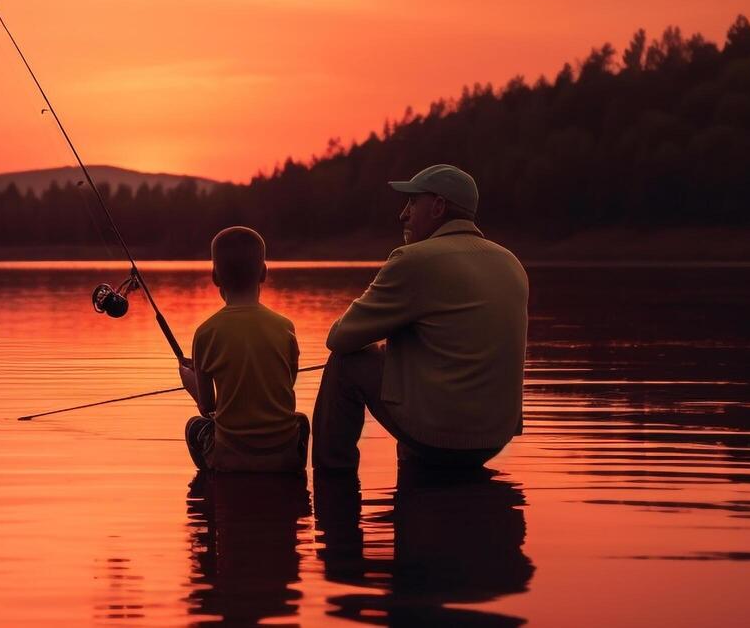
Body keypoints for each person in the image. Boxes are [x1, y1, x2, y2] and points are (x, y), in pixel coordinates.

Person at [313, 164, 528, 471]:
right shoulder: (511, 263)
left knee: (347, 361)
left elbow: (340, 337)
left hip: (442, 436)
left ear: (438, 206)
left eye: (413, 202)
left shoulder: (414, 259)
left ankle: (332, 487)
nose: (404, 214)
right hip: (494, 437)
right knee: (410, 365)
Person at [180, 225, 310, 472]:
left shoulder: (206, 333)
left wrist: (192, 384)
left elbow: (208, 409)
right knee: (301, 420)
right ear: (264, 272)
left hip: (230, 458)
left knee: (195, 426)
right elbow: (287, 385)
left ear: (215, 277)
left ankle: (212, 489)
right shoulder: (285, 328)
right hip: (284, 457)